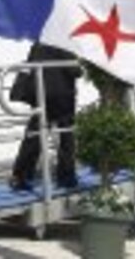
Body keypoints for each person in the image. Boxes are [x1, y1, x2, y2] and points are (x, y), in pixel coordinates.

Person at [9, 43, 81, 191]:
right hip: (62, 95)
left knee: (34, 135)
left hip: (40, 93)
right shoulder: (64, 41)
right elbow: (74, 70)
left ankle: (20, 175)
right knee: (66, 135)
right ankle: (66, 176)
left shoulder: (39, 42)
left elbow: (29, 64)